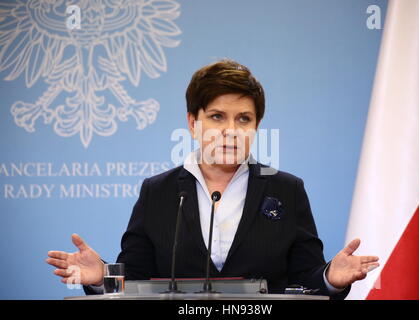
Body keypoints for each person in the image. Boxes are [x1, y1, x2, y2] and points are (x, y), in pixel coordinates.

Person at [46, 60, 379, 299]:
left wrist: (331, 277)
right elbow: (134, 279)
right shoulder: (158, 191)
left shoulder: (286, 188)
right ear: (192, 123)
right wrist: (101, 276)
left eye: (243, 119)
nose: (230, 130)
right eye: (217, 116)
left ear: (256, 127)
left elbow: (306, 281)